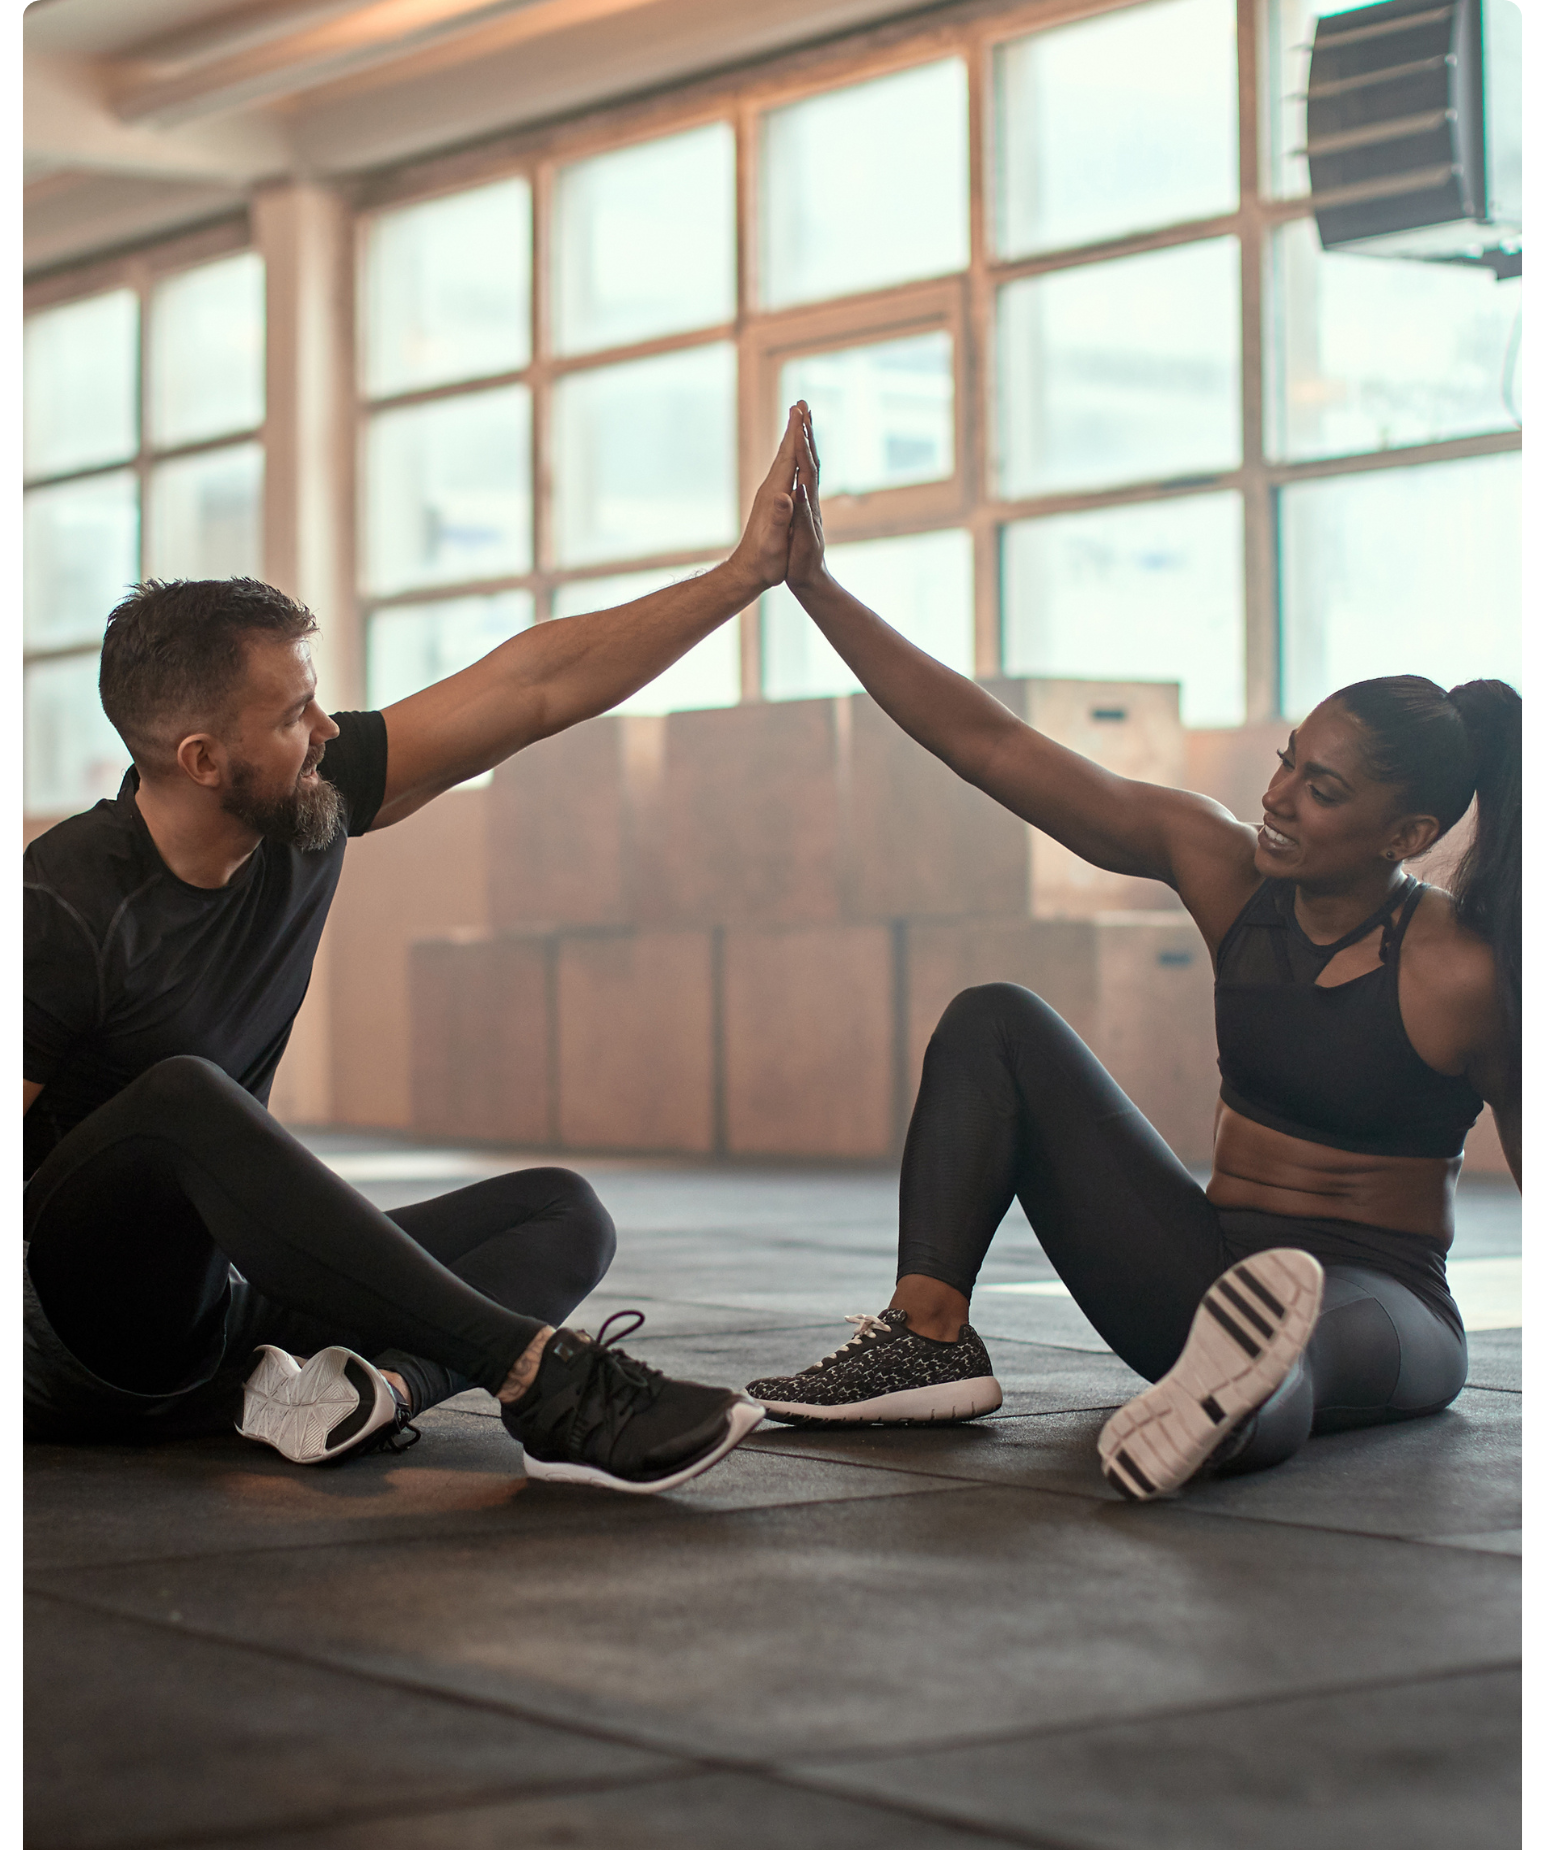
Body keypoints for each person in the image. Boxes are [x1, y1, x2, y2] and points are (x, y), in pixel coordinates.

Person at [22, 412, 810, 1495]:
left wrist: (743, 575)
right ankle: (543, 1378)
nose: (331, 730)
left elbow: (529, 689)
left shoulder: (300, 805)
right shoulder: (62, 902)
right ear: (205, 759)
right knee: (185, 1100)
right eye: (297, 714)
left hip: (221, 1312)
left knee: (561, 1212)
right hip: (76, 1339)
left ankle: (363, 1394)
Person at [746, 405, 1521, 1500]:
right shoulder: (1228, 869)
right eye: (1289, 759)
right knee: (996, 1020)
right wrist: (814, 588)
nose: (1278, 796)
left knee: (1292, 1349)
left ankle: (1214, 1414)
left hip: (1379, 1303)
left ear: (1406, 837)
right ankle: (928, 1337)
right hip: (1201, 1266)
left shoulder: (1460, 970)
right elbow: (991, 744)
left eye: (1323, 788)